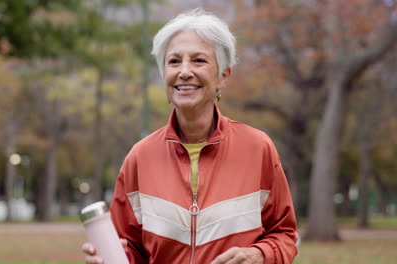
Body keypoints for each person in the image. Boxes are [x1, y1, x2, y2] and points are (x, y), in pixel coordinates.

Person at [82, 8, 297, 264]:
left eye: (198, 60)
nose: (184, 71)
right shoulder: (140, 157)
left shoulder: (257, 148)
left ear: (223, 76)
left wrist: (260, 255)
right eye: (174, 61)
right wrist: (110, 257)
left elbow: (285, 235)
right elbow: (130, 249)